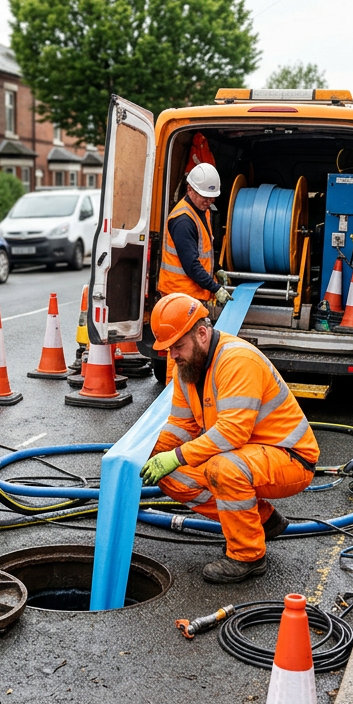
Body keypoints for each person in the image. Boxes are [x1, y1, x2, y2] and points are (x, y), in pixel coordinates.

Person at [140, 293, 320, 583]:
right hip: (243, 453)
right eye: (169, 348)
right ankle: (261, 519)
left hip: (290, 459)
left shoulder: (237, 360)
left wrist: (174, 456)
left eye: (177, 346)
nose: (172, 355)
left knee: (222, 469)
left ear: (201, 333)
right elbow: (181, 425)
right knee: (170, 476)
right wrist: (144, 453)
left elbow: (232, 432)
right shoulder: (187, 366)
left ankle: (248, 556)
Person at [158, 162, 231, 312]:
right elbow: (191, 263)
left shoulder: (203, 211)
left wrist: (216, 269)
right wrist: (215, 288)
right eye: (205, 197)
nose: (208, 202)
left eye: (212, 198)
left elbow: (203, 250)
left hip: (190, 295)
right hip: (179, 296)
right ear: (189, 189)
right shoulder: (183, 221)